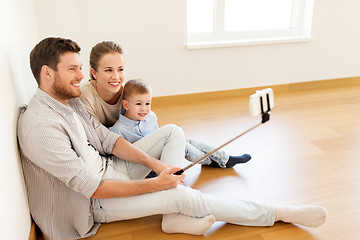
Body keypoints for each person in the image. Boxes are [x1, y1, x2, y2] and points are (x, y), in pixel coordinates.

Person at [18, 37, 327, 240]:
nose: (80, 75)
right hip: (93, 202)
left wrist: (159, 166)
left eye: (80, 67)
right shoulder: (41, 127)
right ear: (47, 73)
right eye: (73, 69)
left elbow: (106, 141)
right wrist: (157, 184)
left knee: (173, 132)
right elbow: (92, 187)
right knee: (184, 197)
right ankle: (275, 213)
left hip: (109, 168)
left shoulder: (68, 103)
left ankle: (173, 215)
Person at [80, 41, 251, 169]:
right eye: (108, 70)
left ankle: (223, 158)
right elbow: (99, 139)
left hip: (135, 141)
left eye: (121, 69)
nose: (116, 76)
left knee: (184, 140)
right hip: (118, 150)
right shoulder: (86, 96)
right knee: (177, 140)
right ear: (94, 72)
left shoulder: (126, 92)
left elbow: (142, 120)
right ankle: (212, 161)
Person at [109, 79, 252, 169]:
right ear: (126, 105)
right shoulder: (119, 130)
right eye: (138, 104)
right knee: (183, 146)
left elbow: (159, 137)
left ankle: (223, 158)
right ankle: (213, 161)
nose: (144, 108)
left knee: (188, 140)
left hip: (160, 153)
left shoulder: (151, 116)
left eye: (147, 103)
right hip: (146, 166)